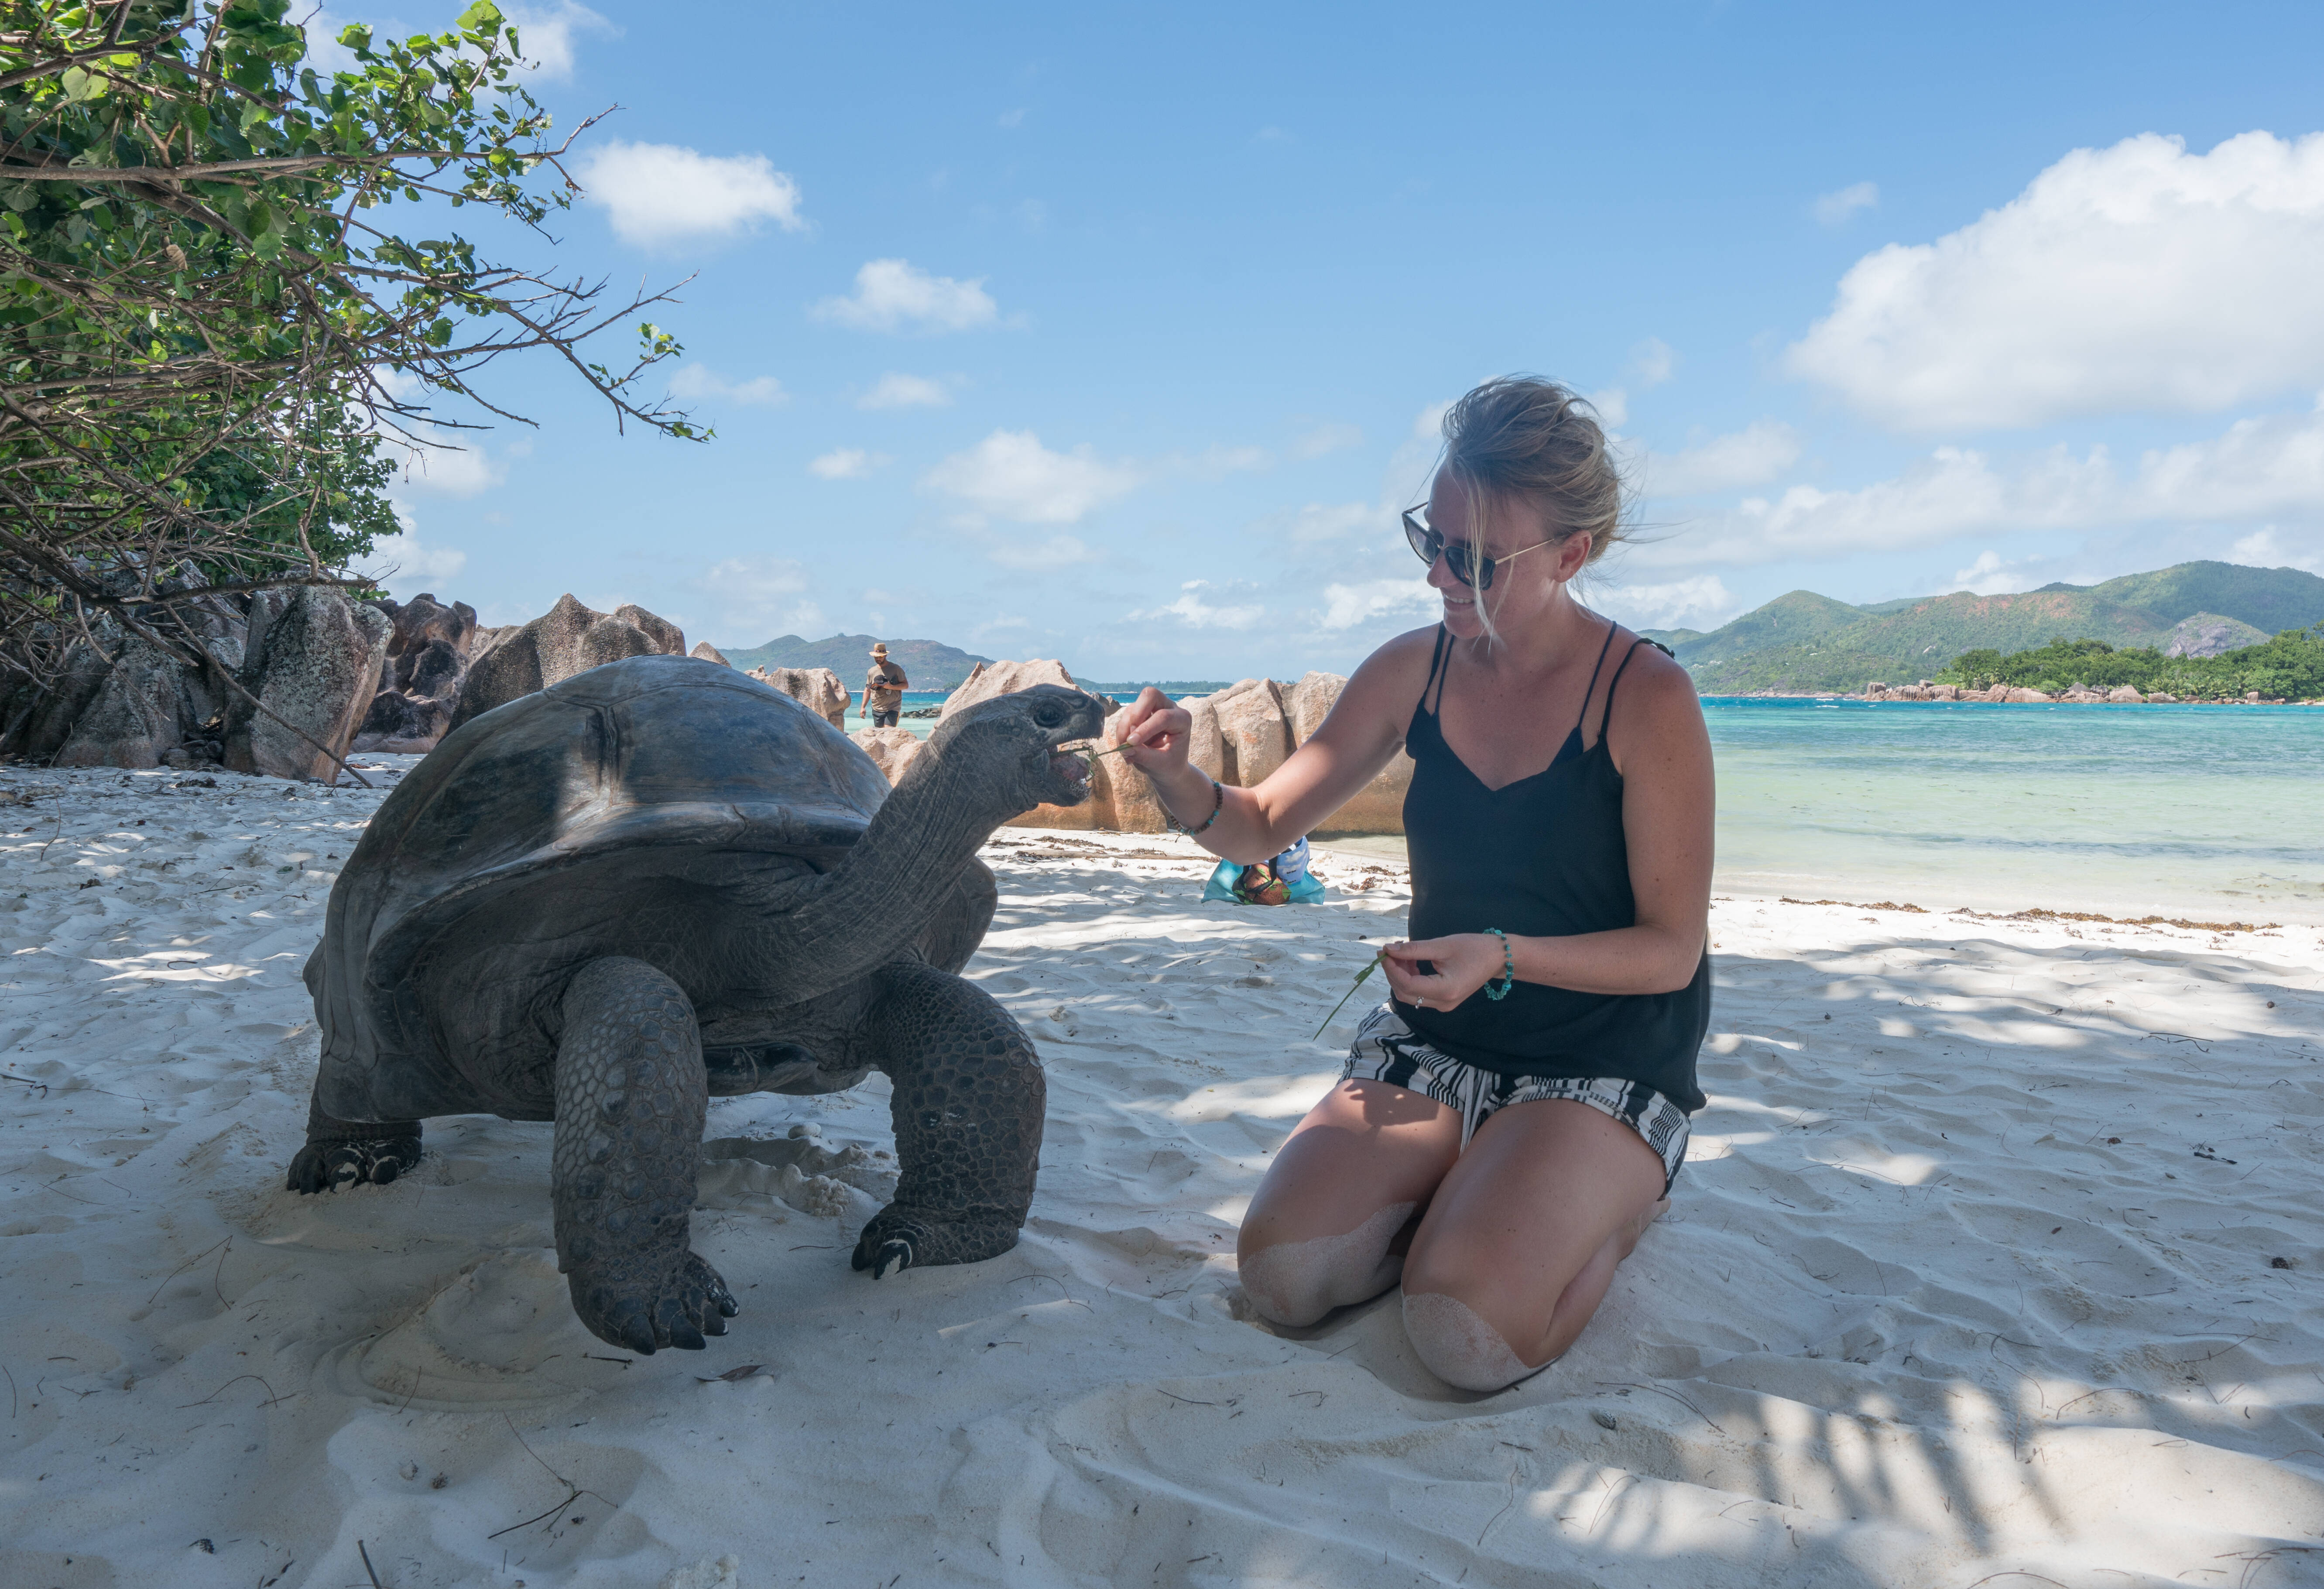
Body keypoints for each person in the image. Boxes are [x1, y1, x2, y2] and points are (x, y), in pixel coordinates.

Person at [1111, 377, 1713, 1392]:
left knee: (1464, 1335)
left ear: (1572, 555)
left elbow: (1670, 948)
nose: (1437, 573)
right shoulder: (1409, 669)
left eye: (1472, 557)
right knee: (1282, 1281)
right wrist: (1175, 774)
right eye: (1425, 539)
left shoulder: (1644, 696)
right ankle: (1479, 1187)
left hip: (1599, 1056)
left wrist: (1503, 957)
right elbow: (1258, 823)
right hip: (1435, 1037)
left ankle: (1613, 1200)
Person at [862, 641, 908, 728]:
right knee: (880, 735)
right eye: (876, 657)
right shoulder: (871, 671)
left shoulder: (896, 669)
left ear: (886, 656)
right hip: (877, 708)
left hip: (893, 708)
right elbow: (868, 690)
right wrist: (863, 707)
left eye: (881, 656)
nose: (878, 659)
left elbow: (906, 685)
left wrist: (891, 687)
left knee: (888, 733)